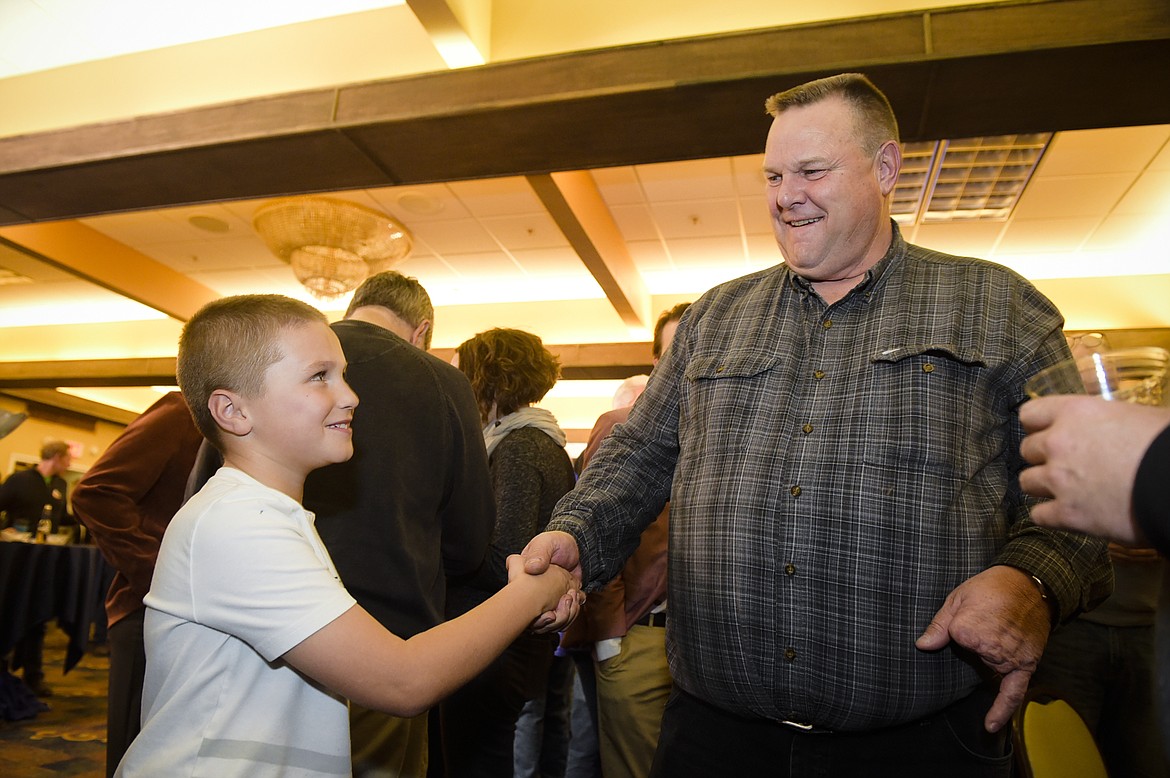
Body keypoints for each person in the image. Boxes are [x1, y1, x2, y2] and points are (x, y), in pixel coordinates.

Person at [521, 73, 1113, 777]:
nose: (784, 194)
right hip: (715, 742)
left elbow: (1083, 495)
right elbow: (639, 454)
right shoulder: (715, 317)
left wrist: (1032, 583)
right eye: (772, 174)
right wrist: (575, 534)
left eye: (811, 170)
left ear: (885, 168)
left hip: (921, 747)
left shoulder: (1000, 307)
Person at [115, 294, 578, 777]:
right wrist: (534, 590)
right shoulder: (240, 523)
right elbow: (404, 681)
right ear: (233, 411)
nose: (351, 395)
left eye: (342, 373)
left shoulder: (272, 515)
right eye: (320, 376)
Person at [302, 271, 495, 778]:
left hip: (268, 640)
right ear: (422, 330)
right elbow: (468, 542)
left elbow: (206, 491)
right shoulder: (441, 381)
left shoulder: (276, 360)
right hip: (390, 643)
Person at [439, 328, 577, 778]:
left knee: (480, 757)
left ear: (486, 380)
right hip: (514, 635)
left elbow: (507, 552)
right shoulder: (537, 439)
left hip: (499, 635)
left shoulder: (519, 446)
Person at [561, 302, 687, 778]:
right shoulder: (623, 429)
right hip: (639, 636)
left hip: (705, 646)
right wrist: (610, 636)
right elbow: (598, 526)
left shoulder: (725, 435)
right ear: (658, 364)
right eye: (675, 352)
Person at [1019, 394, 1170, 761]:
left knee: (1143, 757)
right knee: (1067, 752)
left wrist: (1152, 512)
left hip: (1147, 624)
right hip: (1077, 623)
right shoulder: (1066, 438)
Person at [70, 392, 205, 777]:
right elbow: (96, 493)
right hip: (148, 613)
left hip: (208, 617)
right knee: (138, 754)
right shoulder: (185, 411)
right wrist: (161, 575)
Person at [0, 439, 74, 696]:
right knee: (7, 612)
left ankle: (34, 674)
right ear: (56, 456)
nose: (69, 464)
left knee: (38, 614)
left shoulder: (60, 485)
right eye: (67, 459)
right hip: (14, 560)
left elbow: (62, 517)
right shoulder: (20, 480)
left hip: (43, 560)